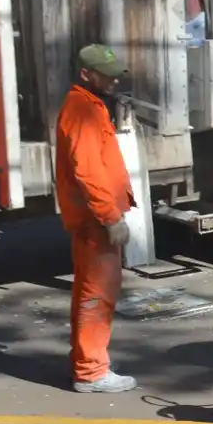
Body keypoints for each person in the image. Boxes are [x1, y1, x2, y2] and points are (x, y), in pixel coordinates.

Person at [55, 44, 138, 394]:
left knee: (90, 292)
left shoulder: (89, 105)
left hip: (94, 220)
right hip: (96, 222)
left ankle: (87, 362)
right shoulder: (82, 109)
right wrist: (110, 218)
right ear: (86, 74)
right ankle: (91, 372)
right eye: (108, 74)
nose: (115, 79)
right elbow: (88, 171)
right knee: (97, 295)